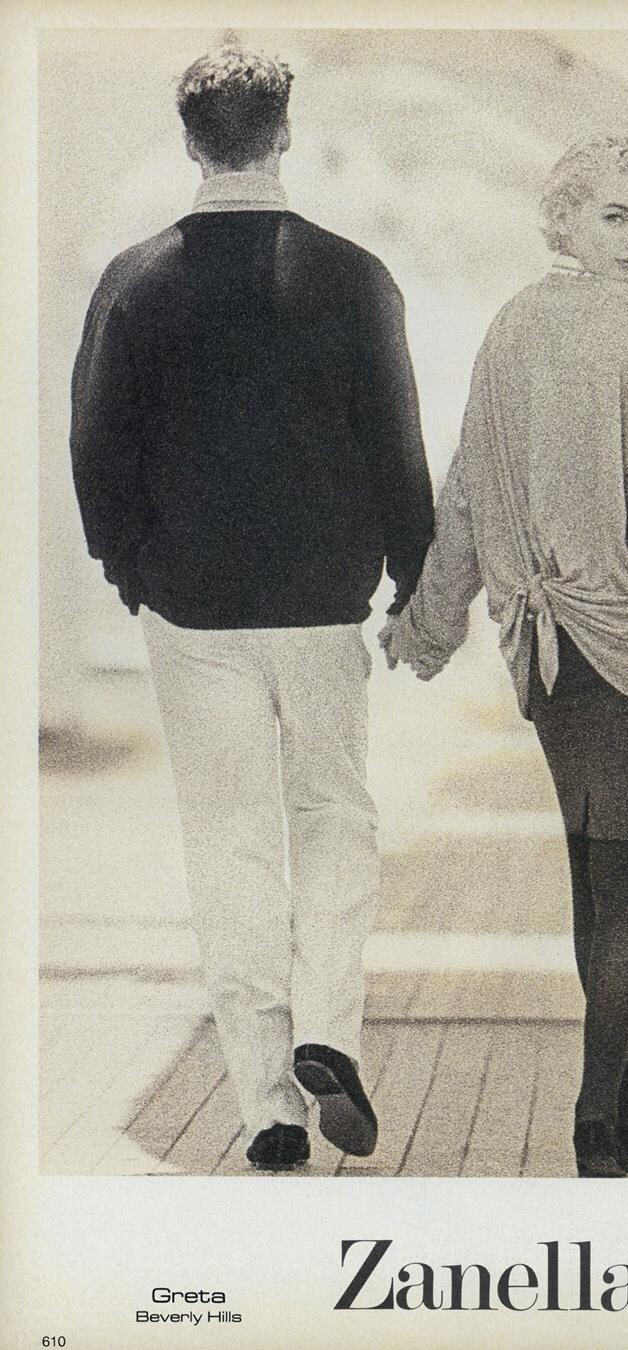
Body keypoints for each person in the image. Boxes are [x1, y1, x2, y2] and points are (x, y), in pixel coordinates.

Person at [70, 44, 434, 1171]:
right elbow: (396, 442)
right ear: (283, 134)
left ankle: (269, 1108)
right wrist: (413, 574)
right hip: (321, 603)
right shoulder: (354, 277)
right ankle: (329, 1031)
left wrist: (134, 572)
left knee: (228, 842)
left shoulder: (133, 282)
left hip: (194, 613)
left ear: (190, 143)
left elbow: (96, 452)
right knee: (334, 818)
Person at [383, 133, 628, 1178]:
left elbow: (467, 489)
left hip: (546, 658)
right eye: (614, 217)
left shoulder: (508, 324)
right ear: (563, 217)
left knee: (592, 881)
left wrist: (428, 624)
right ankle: (592, 1111)